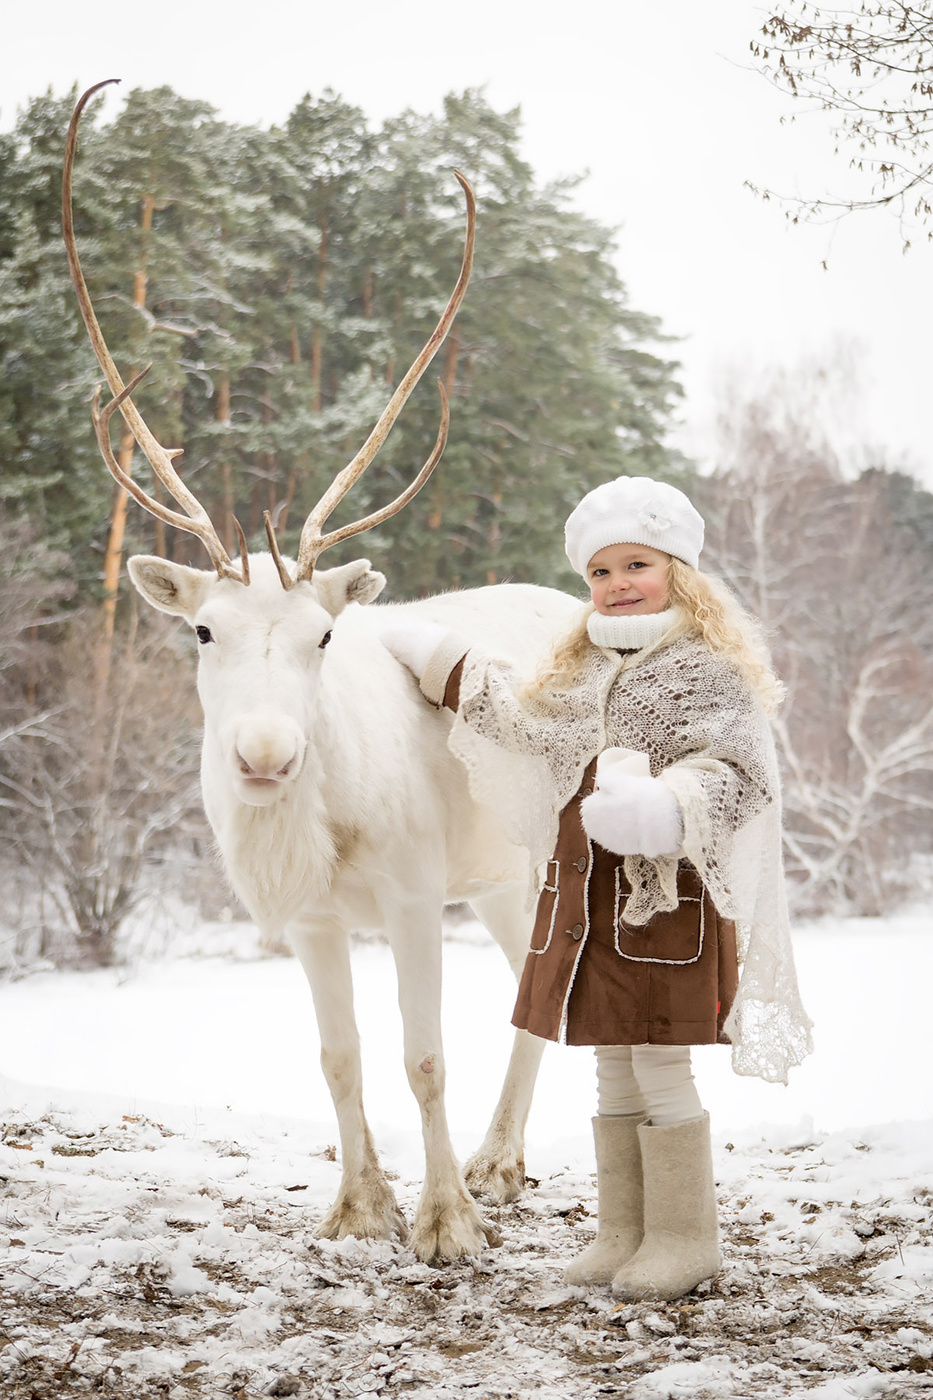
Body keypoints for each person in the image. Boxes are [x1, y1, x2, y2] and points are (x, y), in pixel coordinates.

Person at [381, 476, 812, 1301]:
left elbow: (738, 773)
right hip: (586, 906)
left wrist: (667, 806)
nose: (617, 584)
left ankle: (684, 1237)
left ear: (677, 570)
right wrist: (438, 659)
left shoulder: (704, 667)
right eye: (600, 572)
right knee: (611, 1064)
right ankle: (624, 1229)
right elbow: (518, 717)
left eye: (636, 565)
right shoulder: (583, 666)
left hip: (666, 906)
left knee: (658, 1064)